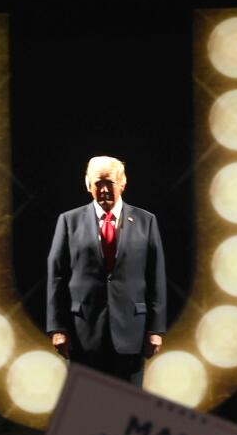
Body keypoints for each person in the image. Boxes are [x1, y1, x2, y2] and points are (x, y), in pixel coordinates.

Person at [45, 155, 166, 384]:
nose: (103, 189)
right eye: (97, 183)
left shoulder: (146, 221)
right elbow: (56, 277)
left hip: (132, 332)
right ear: (87, 184)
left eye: (108, 182)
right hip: (83, 333)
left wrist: (156, 330)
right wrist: (57, 328)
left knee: (127, 406)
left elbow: (156, 276)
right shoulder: (68, 221)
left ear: (123, 182)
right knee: (88, 407)